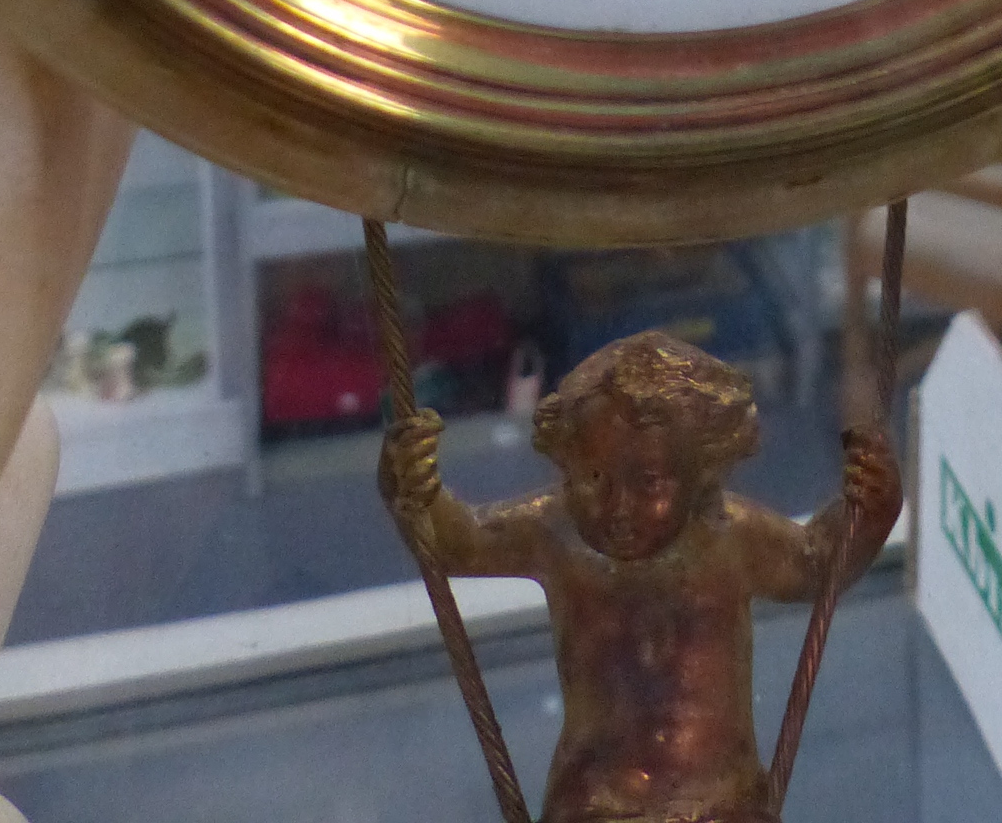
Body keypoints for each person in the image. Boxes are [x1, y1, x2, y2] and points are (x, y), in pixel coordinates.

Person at [379, 329, 901, 823]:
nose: (618, 507)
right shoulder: (555, 535)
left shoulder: (731, 538)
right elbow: (459, 543)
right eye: (593, 478)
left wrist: (871, 509)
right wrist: (412, 491)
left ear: (700, 473)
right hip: (596, 803)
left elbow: (817, 562)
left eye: (648, 480)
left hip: (720, 799)